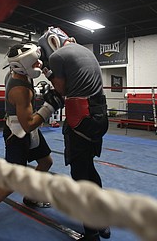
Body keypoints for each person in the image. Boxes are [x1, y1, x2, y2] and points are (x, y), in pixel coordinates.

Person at [0, 43, 65, 241]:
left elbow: (26, 103)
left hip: (27, 128)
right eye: (33, 61)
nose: (38, 63)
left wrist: (38, 92)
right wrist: (49, 107)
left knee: (46, 162)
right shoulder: (19, 90)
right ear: (23, 65)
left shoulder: (17, 73)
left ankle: (30, 196)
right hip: (17, 134)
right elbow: (27, 124)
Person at [38, 26, 110, 241]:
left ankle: (91, 231)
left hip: (81, 118)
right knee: (90, 167)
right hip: (100, 116)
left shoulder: (59, 55)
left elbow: (61, 90)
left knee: (80, 174)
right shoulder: (86, 51)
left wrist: (47, 72)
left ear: (51, 43)